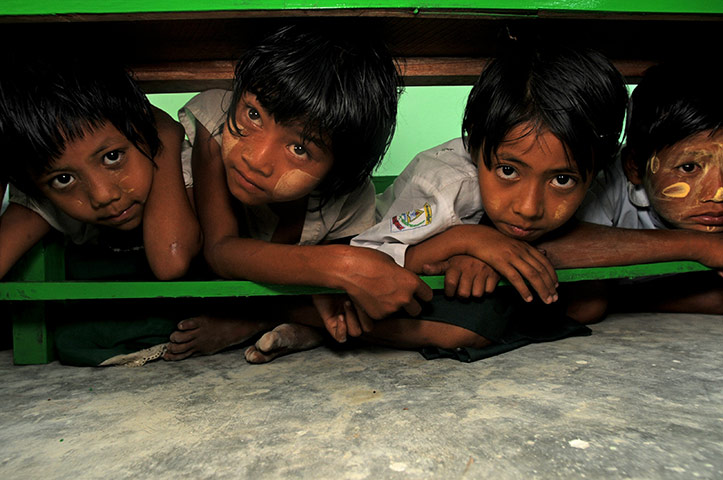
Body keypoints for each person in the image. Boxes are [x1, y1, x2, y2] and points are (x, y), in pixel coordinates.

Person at [335, 42, 628, 362]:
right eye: (508, 171)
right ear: (475, 143)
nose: (529, 208)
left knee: (589, 306)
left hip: (453, 279)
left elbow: (590, 298)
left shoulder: (595, 179)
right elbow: (366, 260)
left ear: (598, 167)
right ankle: (303, 315)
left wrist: (493, 249)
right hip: (385, 259)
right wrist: (466, 240)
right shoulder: (443, 185)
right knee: (464, 330)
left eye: (562, 180)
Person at [163, 24, 433, 361]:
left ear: (339, 170)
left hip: (293, 289)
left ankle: (260, 319)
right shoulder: (216, 118)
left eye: (299, 148)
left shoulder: (349, 195)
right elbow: (219, 250)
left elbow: (340, 303)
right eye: (253, 114)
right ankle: (258, 318)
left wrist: (334, 281)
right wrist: (342, 266)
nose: (256, 160)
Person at [0, 55, 202, 365]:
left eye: (112, 157)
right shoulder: (45, 198)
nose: (103, 195)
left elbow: (170, 261)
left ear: (145, 134)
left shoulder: (186, 166)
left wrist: (165, 138)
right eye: (64, 179)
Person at [569, 60, 722, 317]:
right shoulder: (603, 181)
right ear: (635, 168)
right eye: (688, 168)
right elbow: (557, 246)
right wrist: (701, 246)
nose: (718, 192)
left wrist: (621, 298)